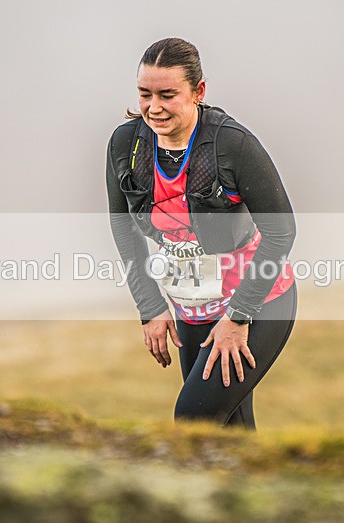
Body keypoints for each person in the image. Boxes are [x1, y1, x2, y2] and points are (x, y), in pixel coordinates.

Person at [106, 37, 297, 430]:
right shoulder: (127, 144)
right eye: (145, 94)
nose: (154, 107)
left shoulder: (232, 145)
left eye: (167, 95)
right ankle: (255, 491)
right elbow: (122, 225)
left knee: (195, 420)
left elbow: (281, 231)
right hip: (191, 307)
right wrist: (150, 308)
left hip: (259, 302)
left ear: (198, 92)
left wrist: (238, 317)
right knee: (227, 432)